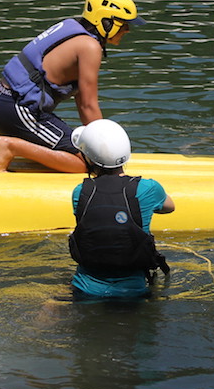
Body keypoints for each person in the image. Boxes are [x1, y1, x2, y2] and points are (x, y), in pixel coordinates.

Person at [0, 0, 145, 173]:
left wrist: (97, 145)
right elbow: (88, 106)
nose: (127, 30)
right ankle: (9, 145)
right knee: (82, 164)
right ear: (106, 22)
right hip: (19, 110)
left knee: (85, 152)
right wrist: (104, 158)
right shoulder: (90, 47)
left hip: (1, 101)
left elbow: (82, 101)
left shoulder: (72, 27)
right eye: (123, 24)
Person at [68, 119, 175, 299]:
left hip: (84, 290)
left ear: (88, 157)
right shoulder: (148, 188)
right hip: (134, 293)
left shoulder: (80, 192)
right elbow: (169, 207)